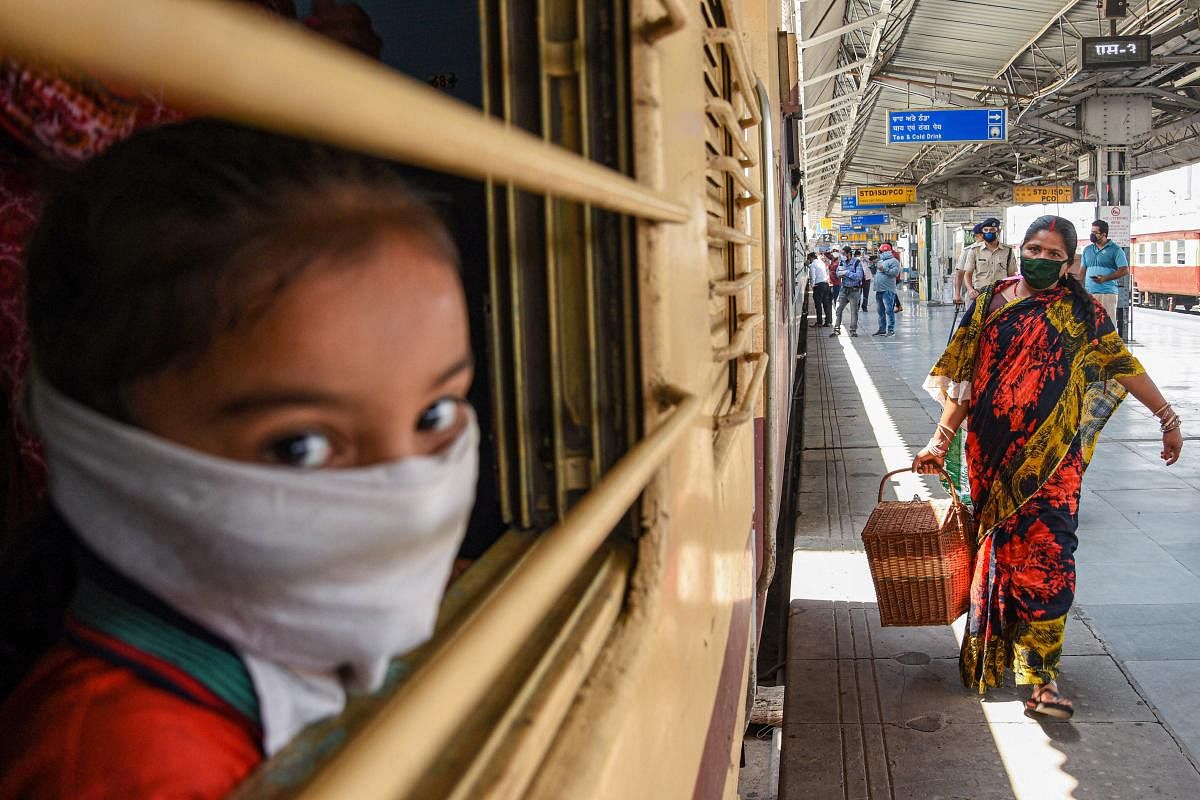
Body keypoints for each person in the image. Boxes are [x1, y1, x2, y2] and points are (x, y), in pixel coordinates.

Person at [0, 120, 479, 796]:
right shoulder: (130, 764)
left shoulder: (306, 643)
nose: (409, 496)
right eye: (300, 447)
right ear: (107, 453)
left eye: (436, 415)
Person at [913, 215, 1182, 722]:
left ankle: (1041, 676)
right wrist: (938, 439)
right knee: (1002, 554)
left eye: (1053, 255)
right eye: (1033, 249)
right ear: (1020, 249)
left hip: (1056, 460)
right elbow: (964, 382)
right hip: (991, 454)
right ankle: (998, 653)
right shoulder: (988, 303)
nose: (1040, 259)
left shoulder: (1082, 312)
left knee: (1051, 557)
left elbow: (1123, 365)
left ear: (1068, 261)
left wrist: (1167, 417)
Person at [955, 217, 1015, 305]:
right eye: (985, 230)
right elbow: (964, 273)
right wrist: (967, 291)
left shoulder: (1008, 251)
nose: (989, 232)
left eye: (992, 230)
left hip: (1001, 295)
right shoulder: (973, 250)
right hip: (979, 294)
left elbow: (1011, 275)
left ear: (998, 231)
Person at [1081, 219, 1129, 322]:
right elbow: (1082, 271)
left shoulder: (1116, 250)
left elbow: (1124, 270)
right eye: (1091, 232)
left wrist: (1105, 279)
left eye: (1095, 233)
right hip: (1089, 293)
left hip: (1107, 293)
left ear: (1104, 234)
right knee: (1090, 324)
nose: (1092, 235)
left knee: (1107, 324)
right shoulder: (1087, 249)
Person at [831, 247, 865, 337]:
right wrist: (846, 273)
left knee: (854, 312)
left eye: (844, 253)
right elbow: (838, 273)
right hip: (843, 289)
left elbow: (858, 276)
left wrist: (846, 273)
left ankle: (853, 331)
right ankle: (837, 329)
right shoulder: (842, 262)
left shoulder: (857, 263)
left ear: (849, 253)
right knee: (838, 309)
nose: (842, 255)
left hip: (854, 291)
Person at [872, 243, 901, 336]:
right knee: (880, 311)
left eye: (883, 251)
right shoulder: (880, 261)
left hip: (888, 290)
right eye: (881, 251)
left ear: (888, 251)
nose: (882, 253)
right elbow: (876, 273)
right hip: (879, 290)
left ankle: (891, 330)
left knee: (889, 311)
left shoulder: (894, 261)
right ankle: (882, 329)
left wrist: (884, 269)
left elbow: (895, 273)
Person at [808, 252, 832, 327]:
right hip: (826, 284)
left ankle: (819, 322)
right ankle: (827, 322)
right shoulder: (821, 262)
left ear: (811, 258)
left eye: (809, 258)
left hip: (819, 286)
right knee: (826, 304)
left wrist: (812, 286)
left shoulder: (813, 265)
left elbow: (813, 276)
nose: (809, 260)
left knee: (818, 305)